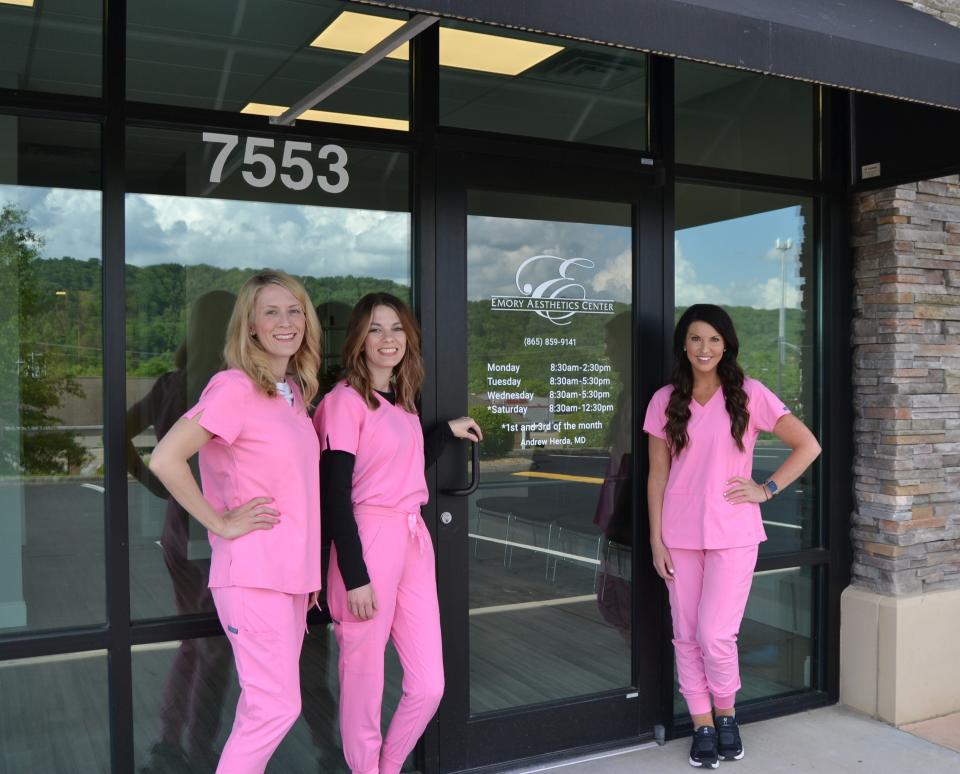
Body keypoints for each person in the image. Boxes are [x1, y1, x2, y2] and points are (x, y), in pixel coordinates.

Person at [148, 270, 323, 774]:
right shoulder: (234, 387)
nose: (285, 322)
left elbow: (299, 495)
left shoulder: (292, 393)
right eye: (271, 311)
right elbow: (165, 458)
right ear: (249, 325)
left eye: (294, 310)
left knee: (259, 706)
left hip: (289, 579)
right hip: (253, 575)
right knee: (277, 707)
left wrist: (306, 574)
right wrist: (219, 522)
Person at [643, 304, 820, 770]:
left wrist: (766, 489)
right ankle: (701, 724)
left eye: (715, 340)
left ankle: (726, 716)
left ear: (727, 346)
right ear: (684, 344)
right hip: (679, 535)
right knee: (685, 635)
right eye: (697, 339)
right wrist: (657, 541)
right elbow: (656, 476)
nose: (705, 348)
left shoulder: (749, 395)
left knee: (715, 634)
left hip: (733, 533)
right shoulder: (665, 400)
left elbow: (808, 445)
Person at [313, 292, 481, 774]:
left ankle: (387, 767)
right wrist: (355, 573)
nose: (388, 339)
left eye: (396, 329)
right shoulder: (344, 402)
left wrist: (445, 432)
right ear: (358, 341)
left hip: (412, 539)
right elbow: (337, 495)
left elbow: (401, 466)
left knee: (429, 684)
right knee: (363, 681)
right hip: (366, 541)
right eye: (375, 329)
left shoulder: (403, 403)